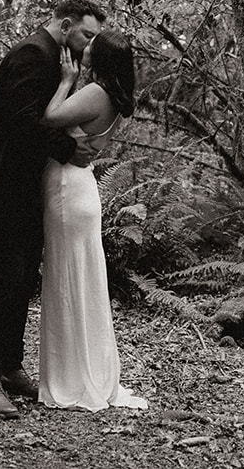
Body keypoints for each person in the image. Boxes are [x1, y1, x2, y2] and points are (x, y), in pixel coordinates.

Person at [0, 0, 105, 418]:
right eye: (86, 33)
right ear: (65, 25)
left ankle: (10, 367)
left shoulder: (56, 57)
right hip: (1, 188)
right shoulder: (31, 55)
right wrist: (68, 148)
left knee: (24, 279)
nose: (89, 43)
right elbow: (23, 123)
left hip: (26, 189)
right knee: (6, 281)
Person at [36, 29, 148, 411]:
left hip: (69, 186)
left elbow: (51, 117)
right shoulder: (112, 96)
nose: (85, 47)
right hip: (80, 185)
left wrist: (66, 80)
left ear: (100, 57)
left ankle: (72, 377)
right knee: (80, 279)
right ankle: (83, 369)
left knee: (68, 278)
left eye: (92, 44)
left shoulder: (95, 93)